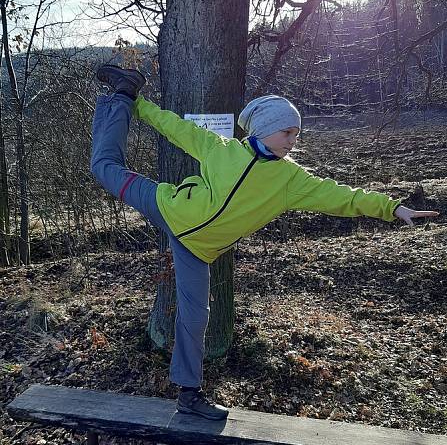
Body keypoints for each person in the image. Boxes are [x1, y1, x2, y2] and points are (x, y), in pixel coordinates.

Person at [91, 64, 439, 421]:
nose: (292, 141)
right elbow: (172, 127)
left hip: (196, 251)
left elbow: (342, 196)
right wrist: (137, 104)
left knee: (195, 319)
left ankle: (189, 394)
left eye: (296, 135)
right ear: (265, 128)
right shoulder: (219, 149)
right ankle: (122, 95)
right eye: (287, 132)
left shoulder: (291, 180)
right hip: (169, 208)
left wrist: (392, 208)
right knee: (103, 166)